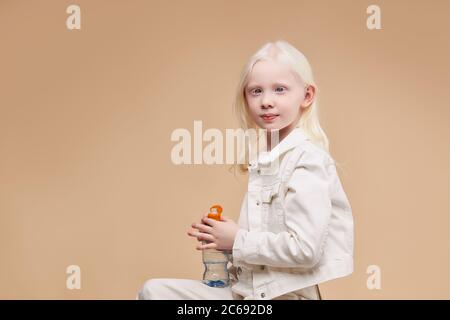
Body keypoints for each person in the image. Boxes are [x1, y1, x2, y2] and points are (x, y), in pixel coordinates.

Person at [137, 40, 354, 300]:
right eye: (256, 91)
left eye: (280, 89)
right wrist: (221, 240)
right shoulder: (266, 161)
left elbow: (305, 250)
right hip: (249, 294)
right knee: (154, 292)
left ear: (306, 96)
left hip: (285, 297)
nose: (266, 101)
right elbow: (261, 250)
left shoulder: (307, 160)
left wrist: (237, 239)